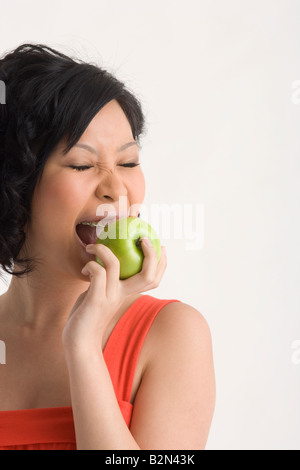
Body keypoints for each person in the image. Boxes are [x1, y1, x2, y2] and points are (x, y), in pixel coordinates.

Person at [0, 43, 215, 450]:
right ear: (15, 183)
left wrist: (82, 348)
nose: (116, 189)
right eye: (82, 165)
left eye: (129, 163)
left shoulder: (173, 336)